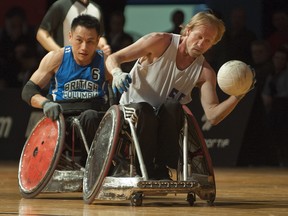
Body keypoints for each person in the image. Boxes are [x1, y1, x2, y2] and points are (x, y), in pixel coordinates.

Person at [105, 11, 255, 180]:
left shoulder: (205, 72)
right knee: (145, 110)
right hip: (133, 111)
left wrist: (237, 96)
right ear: (188, 30)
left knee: (174, 107)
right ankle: (140, 167)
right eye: (199, 36)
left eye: (208, 41)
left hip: (163, 120)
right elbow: (114, 57)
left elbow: (212, 115)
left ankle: (160, 167)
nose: (201, 44)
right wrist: (117, 73)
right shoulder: (160, 41)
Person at [22, 14, 112, 166]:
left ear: (98, 41)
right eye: (79, 40)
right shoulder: (57, 57)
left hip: (93, 119)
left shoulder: (105, 61)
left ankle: (92, 165)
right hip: (62, 118)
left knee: (90, 116)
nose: (84, 47)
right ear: (70, 37)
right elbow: (28, 90)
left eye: (90, 41)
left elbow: (119, 92)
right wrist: (45, 104)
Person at [36, 0, 111, 56]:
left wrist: (103, 46)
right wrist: (60, 53)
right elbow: (41, 33)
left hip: (90, 65)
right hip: (65, 65)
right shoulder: (61, 5)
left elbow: (100, 36)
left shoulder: (96, 8)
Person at [262, 47, 288, 167]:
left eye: (282, 59)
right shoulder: (271, 75)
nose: (279, 61)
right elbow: (266, 93)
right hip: (273, 110)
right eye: (277, 58)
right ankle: (277, 160)